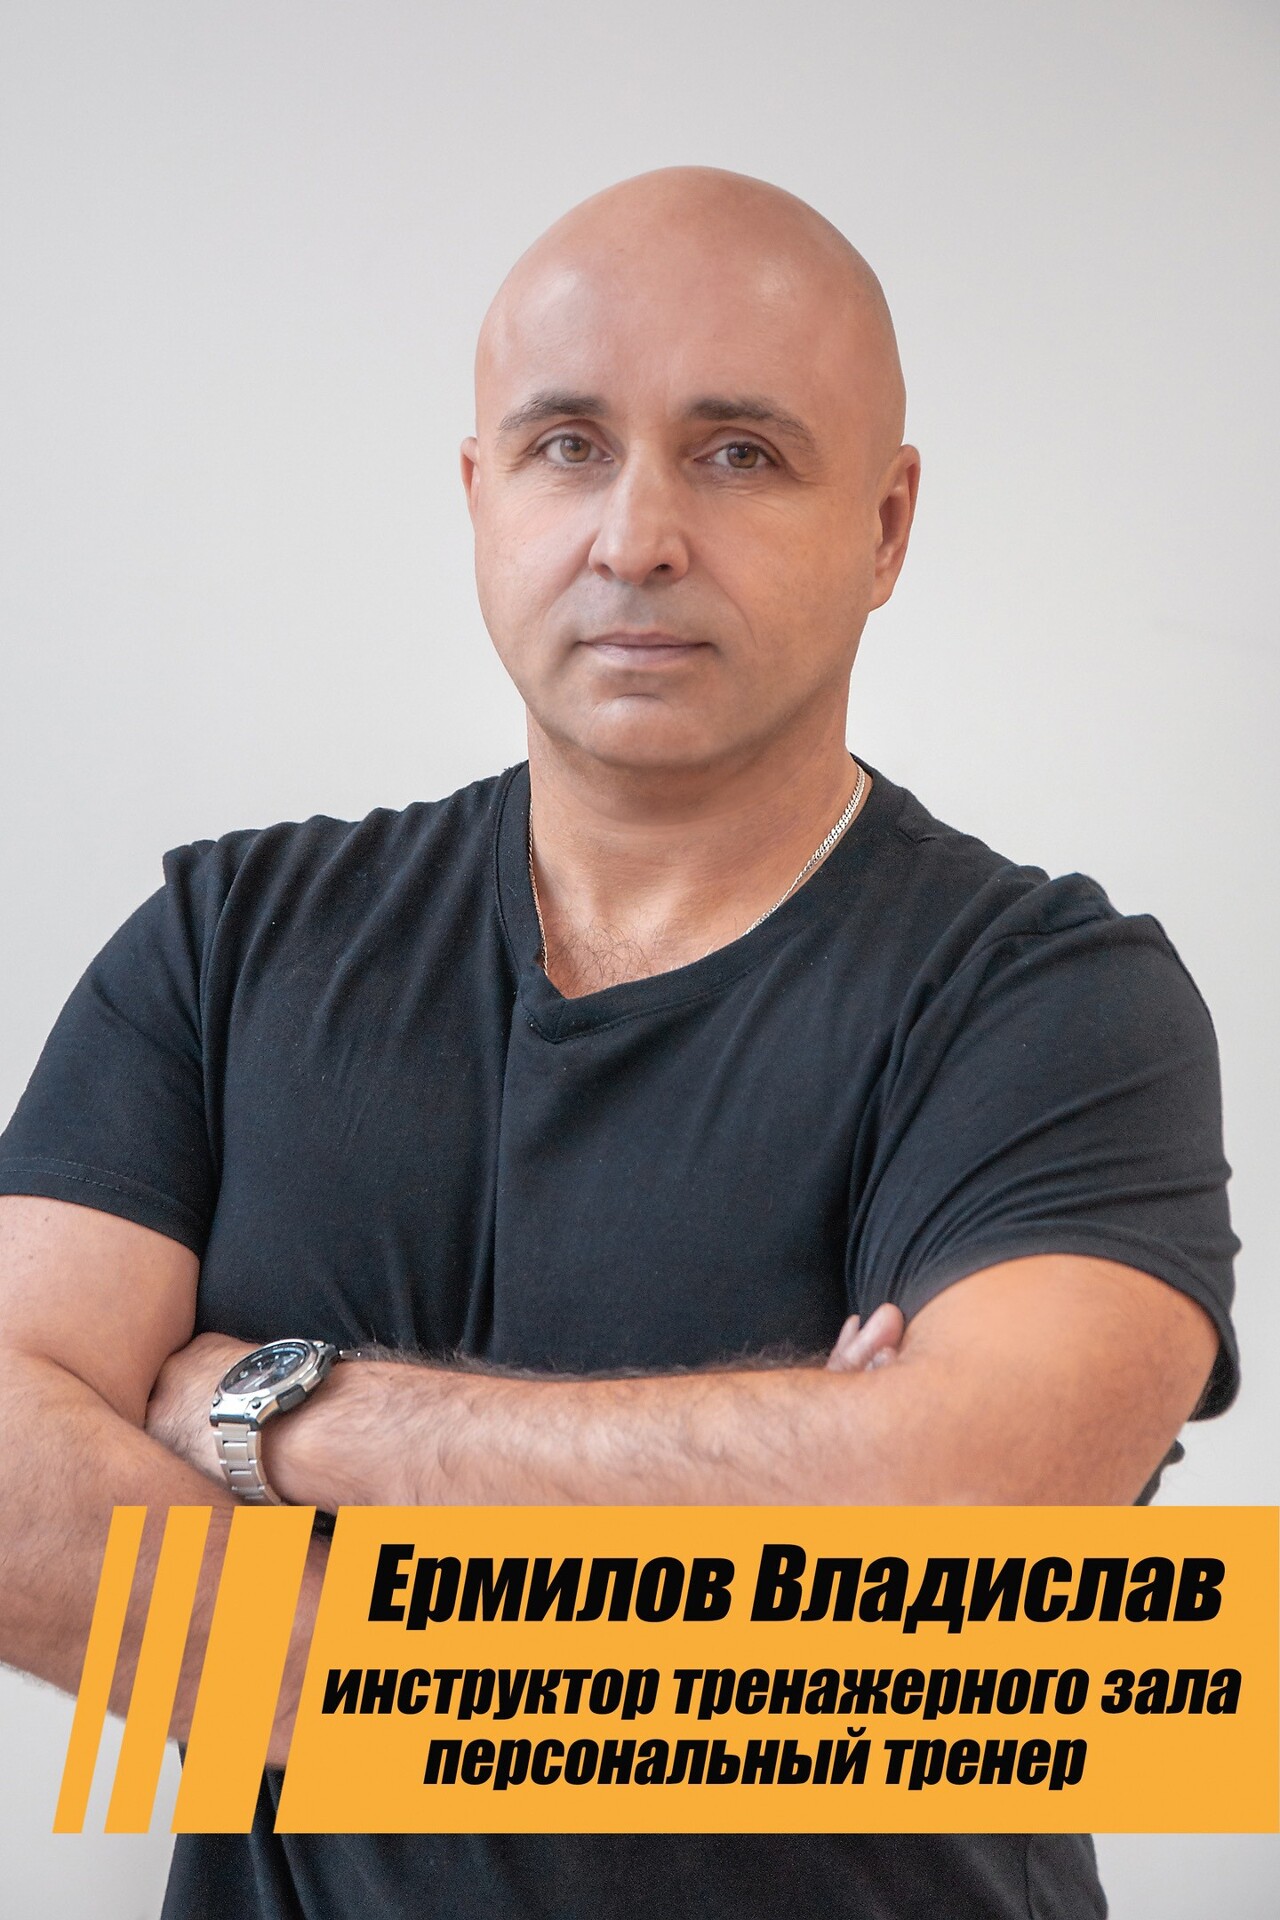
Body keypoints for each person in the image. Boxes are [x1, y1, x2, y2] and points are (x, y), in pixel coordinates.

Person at [0, 166, 1237, 1919]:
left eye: (740, 453)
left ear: (887, 524)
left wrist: (275, 1417)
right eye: (568, 445)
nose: (638, 535)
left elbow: (971, 1523)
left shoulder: (1051, 1000)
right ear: (480, 493)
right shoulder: (227, 944)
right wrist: (772, 1564)